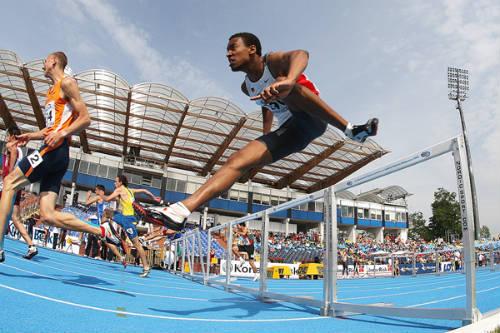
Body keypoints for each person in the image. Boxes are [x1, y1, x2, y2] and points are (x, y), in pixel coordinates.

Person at [151, 32, 378, 228]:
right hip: (291, 132)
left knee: (287, 88)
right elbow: (266, 107)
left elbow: (302, 53)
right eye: (227, 50)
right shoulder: (245, 86)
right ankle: (180, 211)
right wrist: (265, 135)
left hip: (312, 118)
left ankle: (350, 130)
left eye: (233, 48)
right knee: (237, 161)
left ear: (252, 49)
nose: (228, 54)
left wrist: (289, 80)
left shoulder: (274, 62)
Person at [0, 51, 117, 263]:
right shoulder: (51, 92)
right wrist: (31, 135)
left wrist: (62, 134)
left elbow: (86, 119)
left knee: (8, 182)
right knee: (48, 215)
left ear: (53, 61)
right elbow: (51, 128)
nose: (43, 63)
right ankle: (101, 231)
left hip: (53, 150)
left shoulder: (67, 83)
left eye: (45, 60)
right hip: (56, 153)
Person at [103, 175, 161, 277]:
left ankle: (146, 267)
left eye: (115, 181)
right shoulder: (129, 190)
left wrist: (100, 195)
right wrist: (153, 197)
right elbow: (144, 190)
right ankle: (102, 231)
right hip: (127, 217)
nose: (114, 183)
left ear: (120, 183)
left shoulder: (119, 189)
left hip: (128, 220)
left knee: (137, 244)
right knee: (107, 212)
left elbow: (107, 199)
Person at [0, 126, 37, 259]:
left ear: (12, 136)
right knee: (15, 218)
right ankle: (31, 245)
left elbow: (11, 168)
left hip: (11, 184)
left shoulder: (13, 148)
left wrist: (7, 178)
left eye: (9, 135)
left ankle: (0, 249)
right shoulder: (21, 151)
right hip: (17, 184)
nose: (8, 138)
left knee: (3, 214)